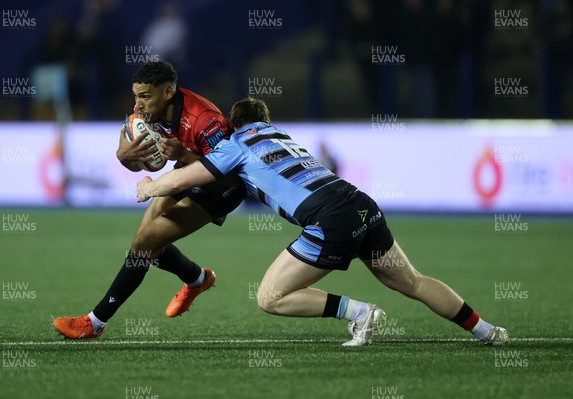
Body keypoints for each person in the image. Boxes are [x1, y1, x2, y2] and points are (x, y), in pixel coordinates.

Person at [136, 97, 510, 346]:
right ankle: (486, 330)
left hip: (328, 220)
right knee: (411, 281)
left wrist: (151, 187)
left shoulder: (235, 144)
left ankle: (359, 312)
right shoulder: (283, 137)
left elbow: (188, 177)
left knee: (269, 297)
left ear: (235, 125)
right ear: (266, 121)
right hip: (363, 206)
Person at [53, 61, 246, 339]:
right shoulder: (144, 113)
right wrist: (124, 157)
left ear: (168, 92)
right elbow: (144, 164)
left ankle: (94, 322)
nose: (138, 104)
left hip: (221, 189)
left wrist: (184, 156)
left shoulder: (205, 120)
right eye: (135, 96)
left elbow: (230, 176)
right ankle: (198, 279)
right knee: (144, 244)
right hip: (187, 172)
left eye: (144, 96)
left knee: (145, 244)